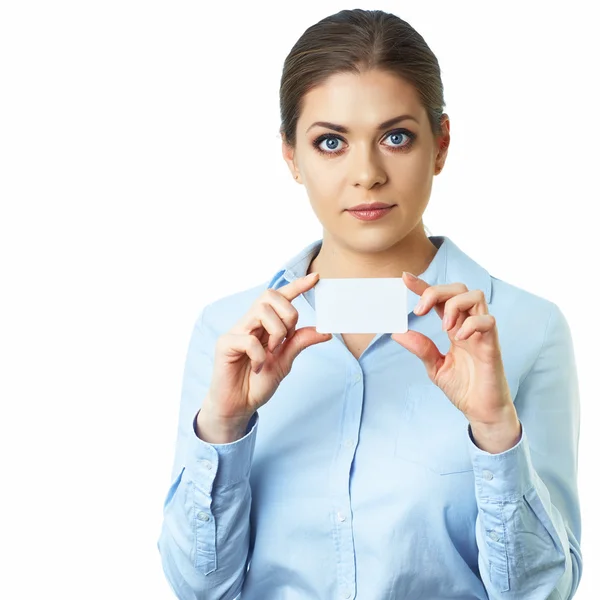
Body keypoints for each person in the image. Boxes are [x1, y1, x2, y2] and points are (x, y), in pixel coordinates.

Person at [157, 8, 582, 599]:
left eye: (395, 137)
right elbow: (201, 587)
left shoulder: (527, 328)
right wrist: (225, 427)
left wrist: (493, 431)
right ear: (290, 156)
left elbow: (543, 591)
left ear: (441, 143)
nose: (367, 174)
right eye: (331, 142)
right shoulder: (226, 333)